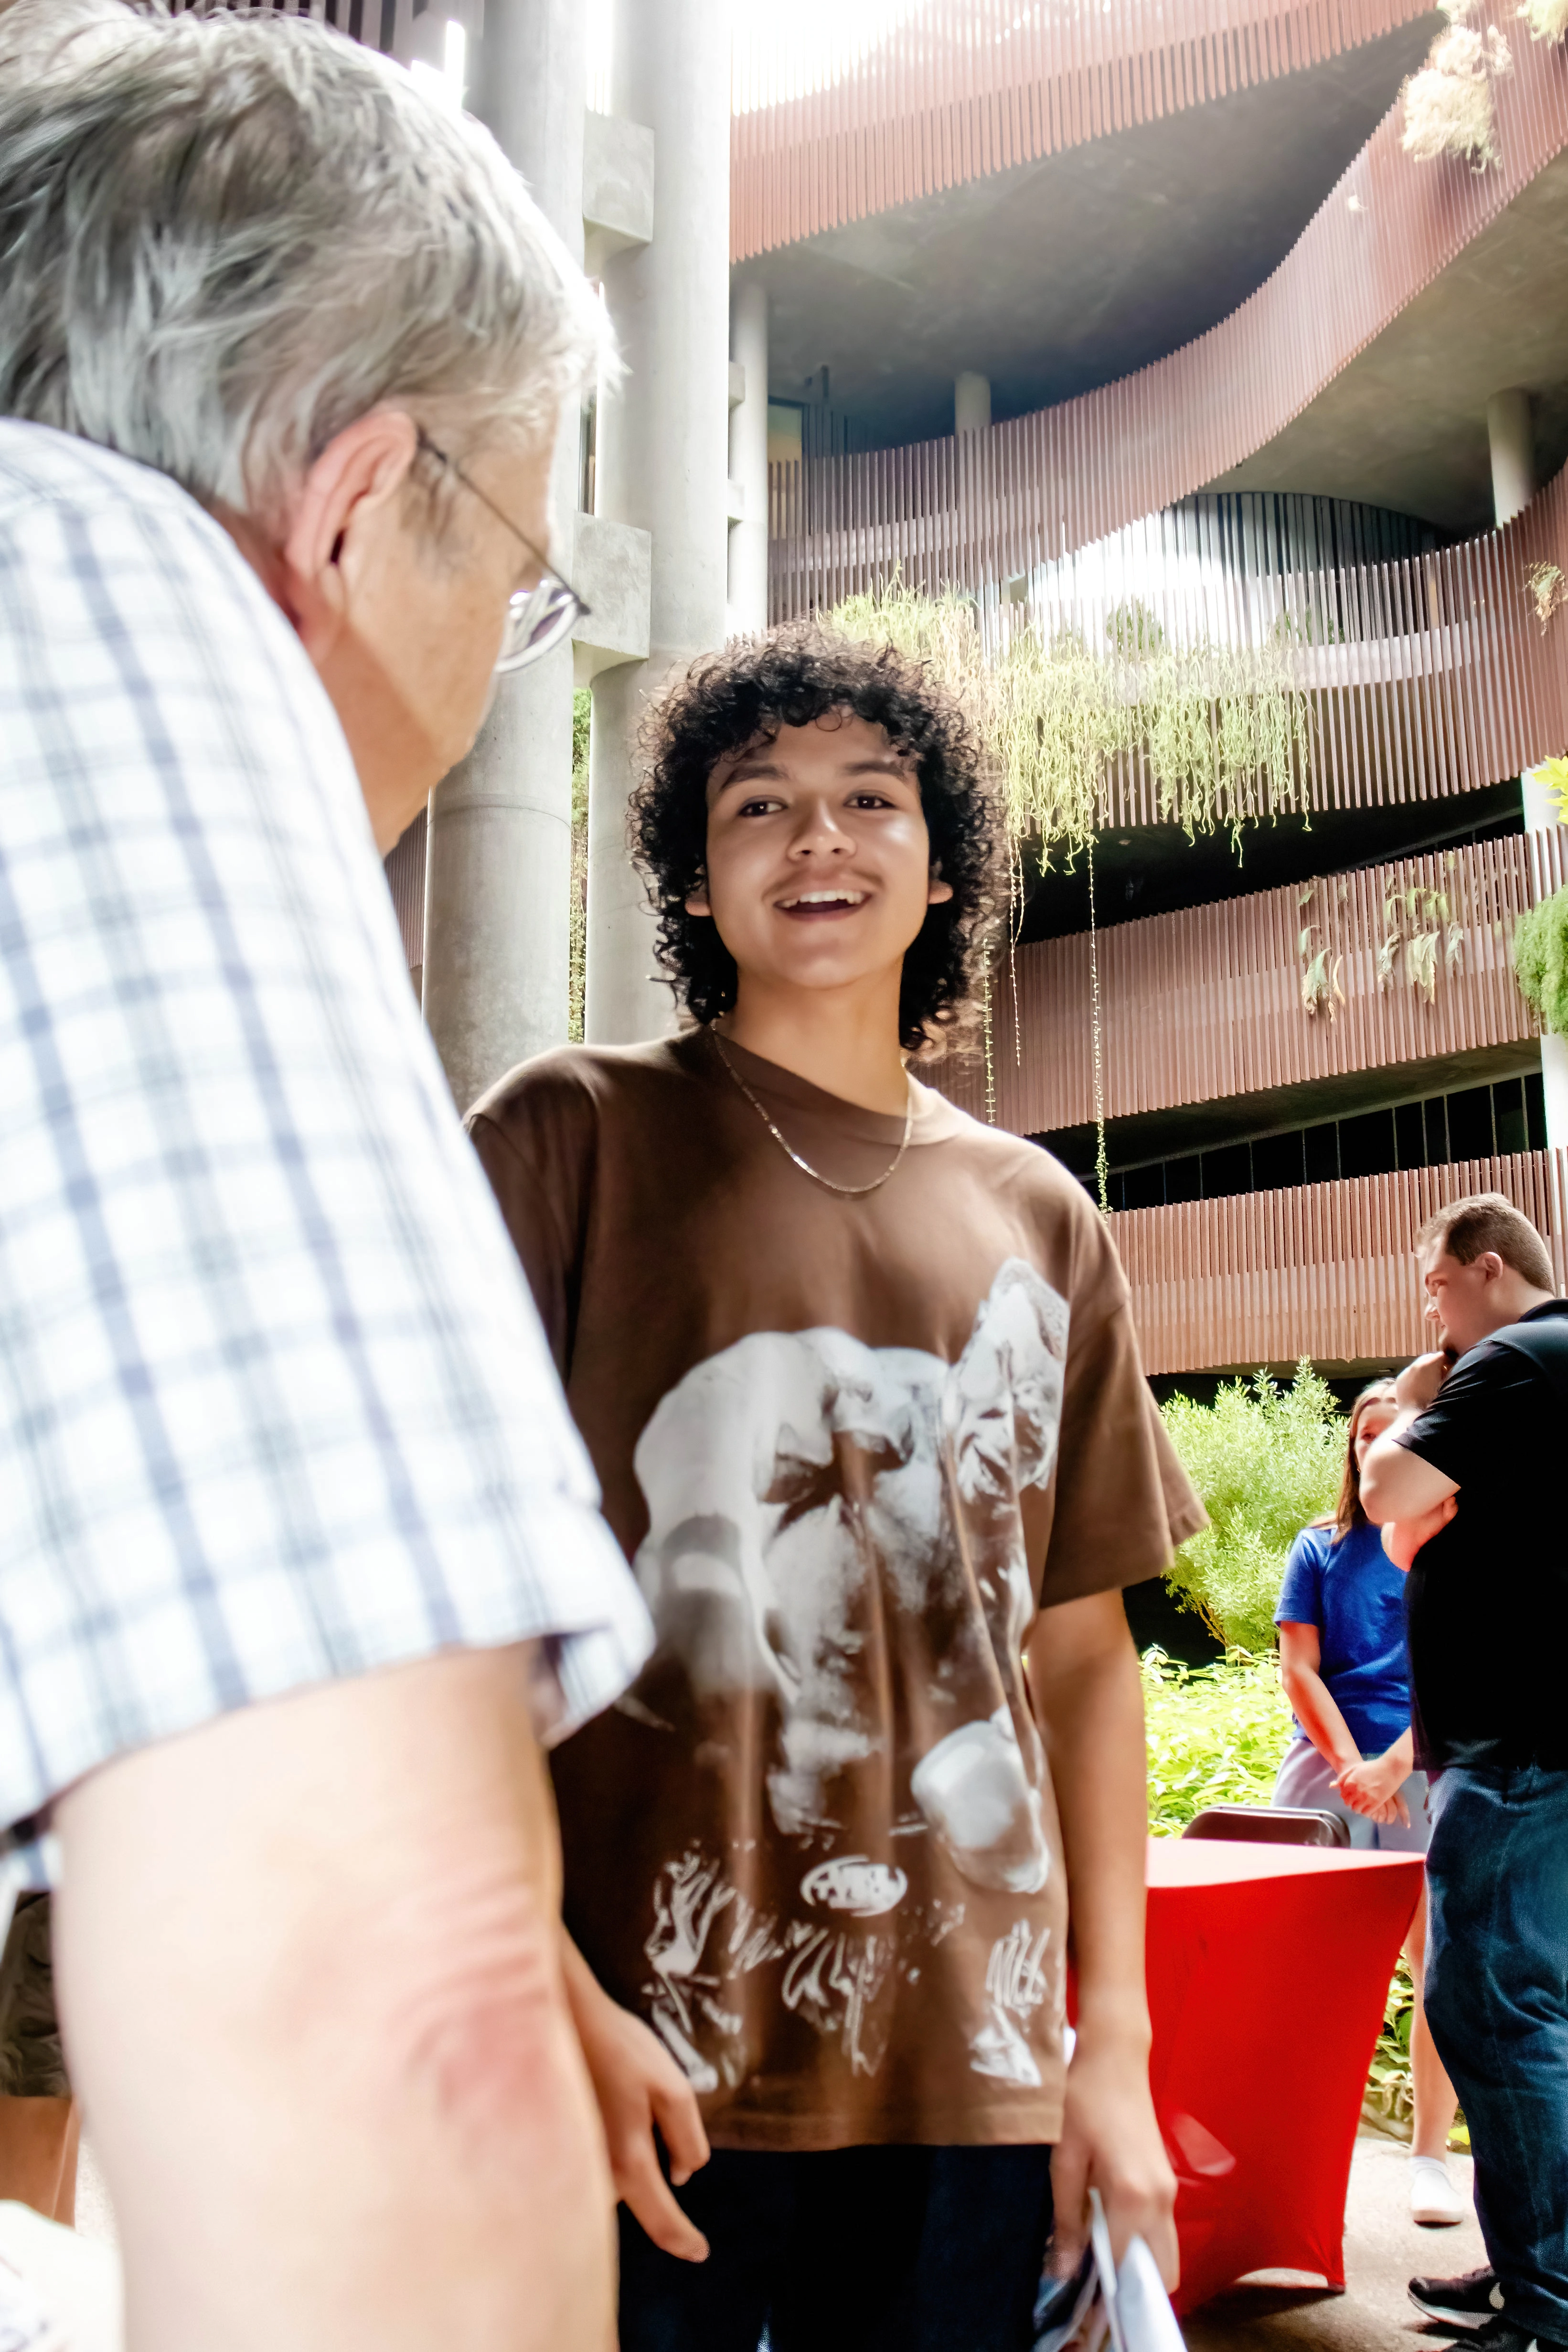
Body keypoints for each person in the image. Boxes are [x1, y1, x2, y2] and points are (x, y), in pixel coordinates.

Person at [0, 5, 654, 2344]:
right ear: (360, 506)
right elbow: (385, 2006)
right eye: (525, 574)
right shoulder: (88, 594)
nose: (497, 659)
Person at [468, 625, 1207, 2352]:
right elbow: (441, 1625)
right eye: (760, 804)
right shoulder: (566, 1134)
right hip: (640, 2061)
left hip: (979, 2071)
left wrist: (1113, 2049)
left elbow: (1083, 1664)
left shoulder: (1039, 1214)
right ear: (691, 871)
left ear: (939, 863)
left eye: (871, 798)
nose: (819, 838)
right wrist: (550, 1993)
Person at [1360, 1194, 1568, 2352]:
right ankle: (1534, 2261)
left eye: (1436, 1286)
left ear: (1488, 1269)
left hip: (1512, 1748)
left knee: (1493, 2012)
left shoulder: (1511, 1359)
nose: (1430, 1311)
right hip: (1536, 1743)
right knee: (1522, 2009)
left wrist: (1419, 1400)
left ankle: (1548, 2306)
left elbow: (1391, 1493)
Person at [1273, 1380, 1461, 2226]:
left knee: (1438, 1973)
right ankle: (1294, 2152)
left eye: (1394, 1435)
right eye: (1363, 1436)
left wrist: (1393, 1767)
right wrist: (1352, 1767)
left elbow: (1464, 1673)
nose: (1374, 1448)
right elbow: (1298, 1669)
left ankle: (1428, 2159)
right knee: (1298, 1973)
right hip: (1326, 1775)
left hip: (1423, 1770)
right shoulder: (1316, 1549)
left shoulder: (1455, 1548)